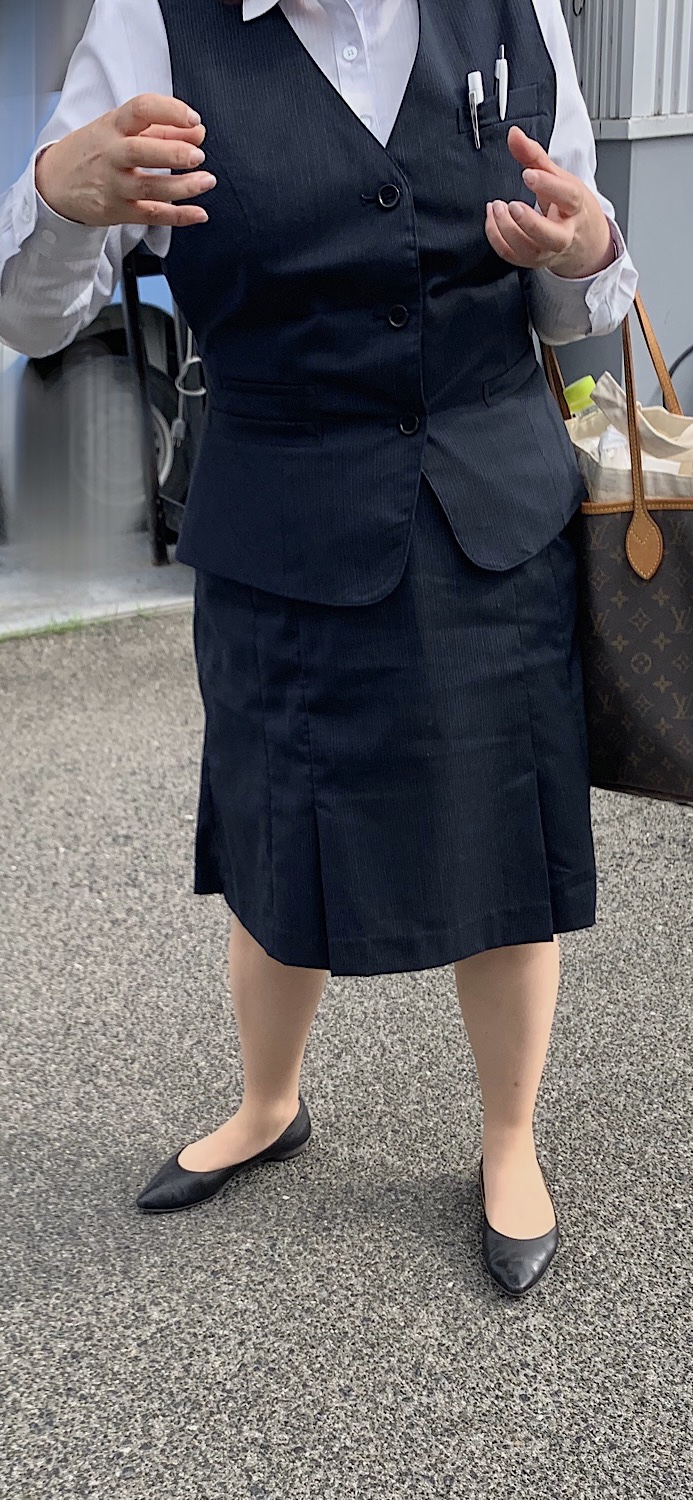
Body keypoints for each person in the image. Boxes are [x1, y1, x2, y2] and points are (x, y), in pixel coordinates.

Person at [0, 0, 638, 1297]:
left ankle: (508, 1141)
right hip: (278, 513)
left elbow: (581, 290)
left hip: (488, 503)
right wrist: (58, 197)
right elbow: (35, 322)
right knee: (274, 834)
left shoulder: (517, 10)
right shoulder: (155, 25)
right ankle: (267, 1103)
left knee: (505, 846)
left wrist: (589, 249)